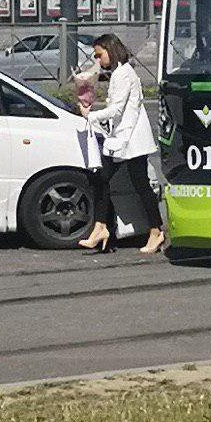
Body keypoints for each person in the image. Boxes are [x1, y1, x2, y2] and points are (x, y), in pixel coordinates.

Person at [78, 33, 166, 255]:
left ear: (110, 49)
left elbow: (117, 109)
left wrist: (91, 115)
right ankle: (101, 227)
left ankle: (155, 231)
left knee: (139, 185)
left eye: (99, 54)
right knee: (104, 180)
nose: (98, 60)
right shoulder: (120, 73)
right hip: (122, 139)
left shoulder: (124, 74)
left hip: (131, 141)